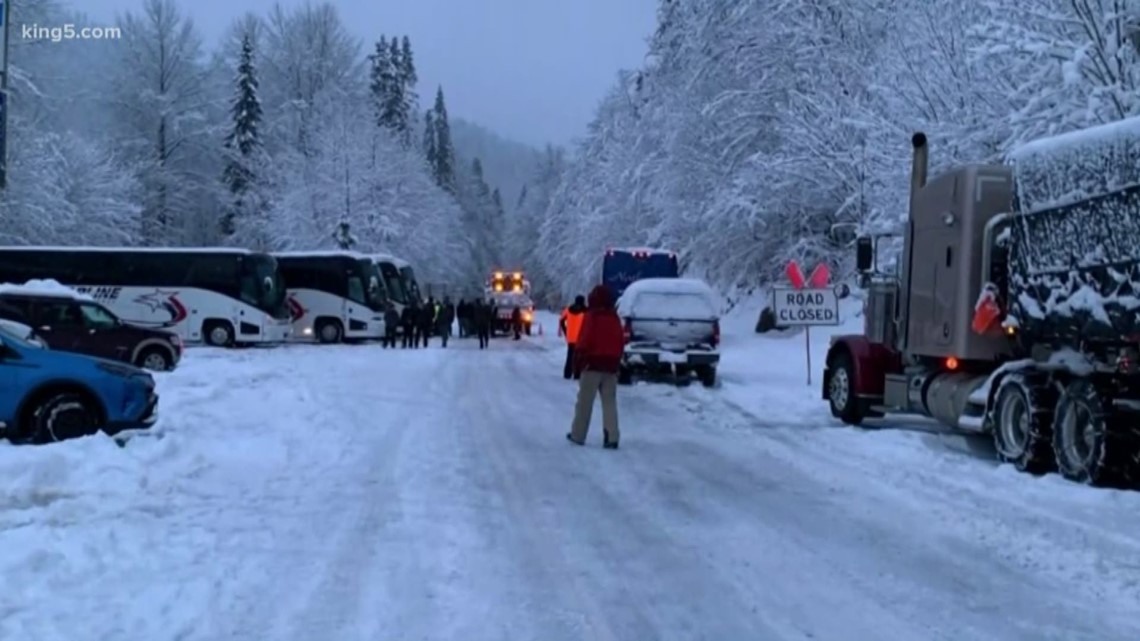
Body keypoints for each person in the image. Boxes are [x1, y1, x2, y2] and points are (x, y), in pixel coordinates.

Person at [567, 285, 623, 449]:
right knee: (609, 403)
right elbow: (620, 341)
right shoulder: (615, 318)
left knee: (584, 402)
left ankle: (578, 435)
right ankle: (612, 436)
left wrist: (578, 362)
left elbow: (584, 340)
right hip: (611, 366)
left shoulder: (592, 316)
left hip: (592, 365)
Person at [559, 295, 587, 379]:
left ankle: (567, 373)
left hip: (570, 336)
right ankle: (577, 374)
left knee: (570, 356)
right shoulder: (585, 310)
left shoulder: (568, 309)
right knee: (579, 356)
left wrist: (565, 330)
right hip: (581, 337)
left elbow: (561, 320)